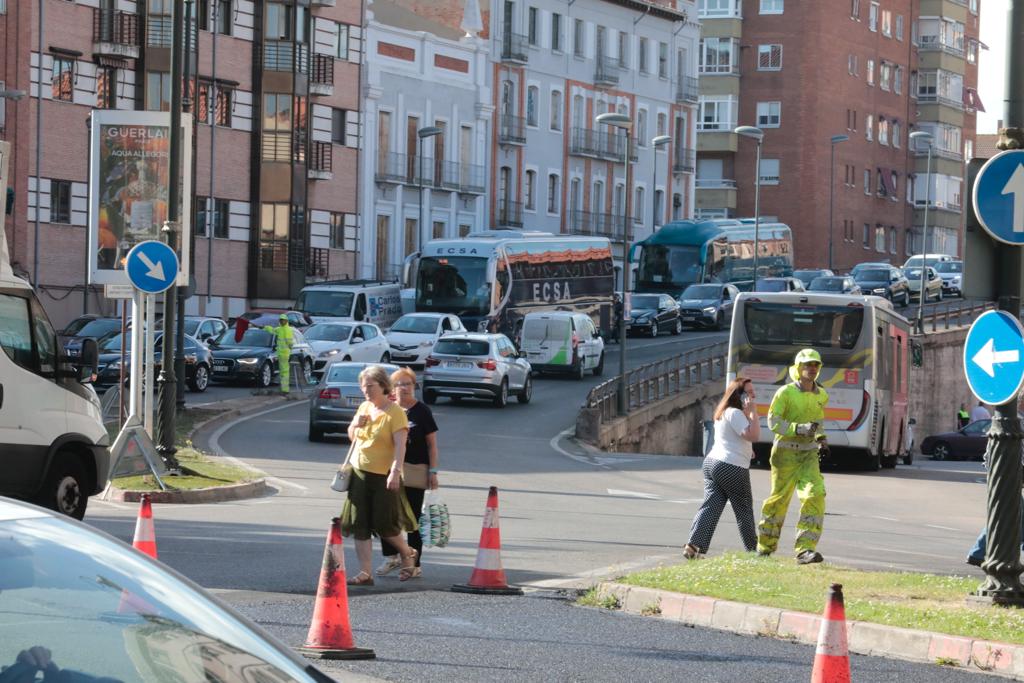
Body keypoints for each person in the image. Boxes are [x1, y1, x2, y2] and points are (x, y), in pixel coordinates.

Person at [342, 365, 419, 585]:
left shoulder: (395, 413)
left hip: (383, 476)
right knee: (360, 525)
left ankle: (407, 552)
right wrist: (354, 424)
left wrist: (395, 472)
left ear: (383, 386)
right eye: (363, 386)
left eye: (370, 386)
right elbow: (352, 436)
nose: (366, 391)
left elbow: (400, 446)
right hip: (359, 473)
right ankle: (365, 573)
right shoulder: (365, 407)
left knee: (385, 525)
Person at [756, 348, 830, 565]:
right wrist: (799, 429)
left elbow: (818, 420)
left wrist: (821, 437)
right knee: (779, 500)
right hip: (785, 454)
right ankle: (765, 546)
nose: (812, 369)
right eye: (807, 365)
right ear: (798, 368)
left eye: (815, 365)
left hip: (808, 455)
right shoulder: (785, 393)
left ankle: (805, 549)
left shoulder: (821, 395)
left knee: (815, 495)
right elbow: (773, 422)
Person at [684, 377, 761, 559]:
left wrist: (747, 451)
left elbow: (732, 439)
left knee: (711, 505)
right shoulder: (736, 413)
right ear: (739, 396)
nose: (754, 395)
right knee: (744, 509)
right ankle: (753, 550)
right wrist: (753, 413)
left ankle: (695, 545)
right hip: (731, 466)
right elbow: (754, 435)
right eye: (749, 393)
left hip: (713, 463)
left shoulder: (724, 411)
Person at [377, 367, 440, 578]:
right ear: (391, 389)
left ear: (414, 386)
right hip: (388, 470)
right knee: (385, 516)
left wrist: (433, 471)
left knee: (412, 518)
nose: (403, 388)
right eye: (398, 384)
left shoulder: (422, 411)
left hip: (414, 470)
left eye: (407, 384)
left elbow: (432, 445)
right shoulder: (388, 410)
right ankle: (391, 557)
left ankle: (414, 564)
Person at [262, 314, 294, 394]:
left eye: (283, 320)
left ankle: (285, 389)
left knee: (284, 372)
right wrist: (264, 327)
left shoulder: (288, 330)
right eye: (281, 320)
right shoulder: (279, 329)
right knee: (283, 372)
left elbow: (290, 343)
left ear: (286, 321)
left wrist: (290, 350)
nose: (281, 321)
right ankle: (284, 388)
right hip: (281, 354)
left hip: (285, 354)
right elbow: (272, 330)